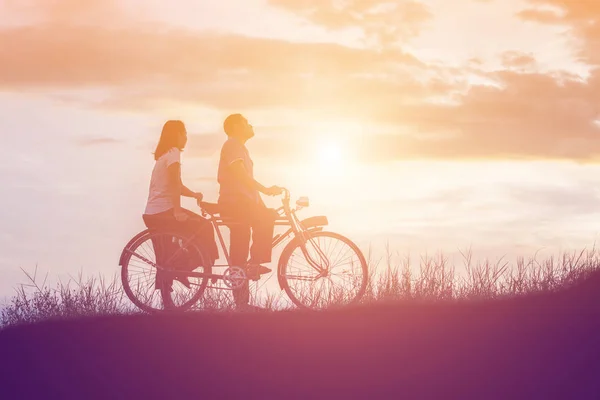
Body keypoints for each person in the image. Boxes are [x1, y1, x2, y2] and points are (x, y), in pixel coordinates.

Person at [142, 120, 218, 290]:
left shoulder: (164, 156)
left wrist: (193, 194)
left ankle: (169, 300)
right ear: (176, 134)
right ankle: (191, 266)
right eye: (184, 133)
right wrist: (177, 211)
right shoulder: (174, 153)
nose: (186, 137)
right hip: (164, 211)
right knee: (204, 227)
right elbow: (175, 184)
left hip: (152, 213)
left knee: (165, 257)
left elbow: (175, 184)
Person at [217, 114, 283, 307]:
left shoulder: (240, 148)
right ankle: (254, 264)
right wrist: (266, 190)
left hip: (241, 204)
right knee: (264, 220)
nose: (251, 125)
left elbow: (248, 188)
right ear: (237, 126)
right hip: (235, 204)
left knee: (239, 254)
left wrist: (262, 204)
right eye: (247, 122)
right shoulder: (232, 145)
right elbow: (240, 176)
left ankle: (242, 304)